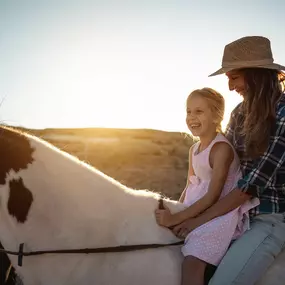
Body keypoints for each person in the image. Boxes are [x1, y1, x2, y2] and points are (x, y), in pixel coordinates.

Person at [171, 36, 285, 285]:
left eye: (234, 77)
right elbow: (225, 169)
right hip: (232, 214)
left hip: (269, 219)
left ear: (255, 74)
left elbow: (250, 186)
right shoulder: (239, 113)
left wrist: (195, 221)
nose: (231, 87)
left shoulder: (283, 112)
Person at [155, 87, 258, 285]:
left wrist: (176, 218)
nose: (191, 117)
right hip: (198, 208)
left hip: (219, 215)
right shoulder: (194, 149)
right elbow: (189, 188)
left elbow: (213, 195)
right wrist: (178, 209)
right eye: (188, 111)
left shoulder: (221, 149)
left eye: (199, 111)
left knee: (191, 264)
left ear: (217, 116)